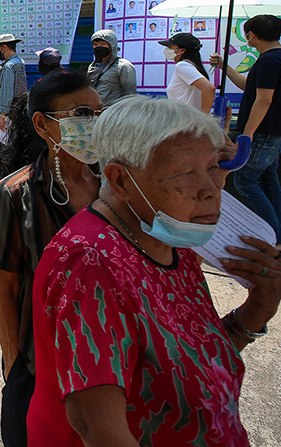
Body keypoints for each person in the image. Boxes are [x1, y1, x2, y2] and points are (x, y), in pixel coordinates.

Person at [28, 95, 281, 447]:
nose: (211, 190)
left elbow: (185, 363)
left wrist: (257, 310)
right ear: (121, 181)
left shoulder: (168, 240)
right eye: (186, 173)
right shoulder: (89, 262)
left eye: (213, 167)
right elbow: (97, 427)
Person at [0, 70, 102, 447]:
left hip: (109, 359)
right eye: (83, 113)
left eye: (100, 113)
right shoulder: (16, 194)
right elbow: (5, 289)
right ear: (42, 124)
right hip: (41, 362)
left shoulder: (117, 185)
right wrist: (15, 364)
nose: (94, 123)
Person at [210, 14, 281, 244]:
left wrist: (247, 134)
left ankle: (271, 235)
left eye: (247, 35)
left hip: (263, 132)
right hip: (273, 132)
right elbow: (246, 85)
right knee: (269, 180)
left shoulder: (269, 61)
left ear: (251, 36)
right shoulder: (270, 59)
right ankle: (277, 230)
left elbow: (264, 100)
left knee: (245, 180)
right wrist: (224, 66)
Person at [162, 32, 215, 113]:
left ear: (182, 50)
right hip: (188, 119)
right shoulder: (193, 65)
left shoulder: (182, 66)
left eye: (170, 47)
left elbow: (209, 88)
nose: (167, 50)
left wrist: (204, 116)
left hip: (185, 120)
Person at [87, 29, 136, 107]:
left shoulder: (123, 66)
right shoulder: (93, 66)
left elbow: (130, 94)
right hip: (95, 112)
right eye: (95, 44)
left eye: (103, 44)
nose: (99, 47)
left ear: (111, 46)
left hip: (113, 112)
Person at [0, 34, 28, 127]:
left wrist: (2, 115)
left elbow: (7, 92)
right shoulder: (19, 61)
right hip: (19, 107)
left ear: (5, 47)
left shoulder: (9, 66)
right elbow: (1, 73)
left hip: (10, 112)